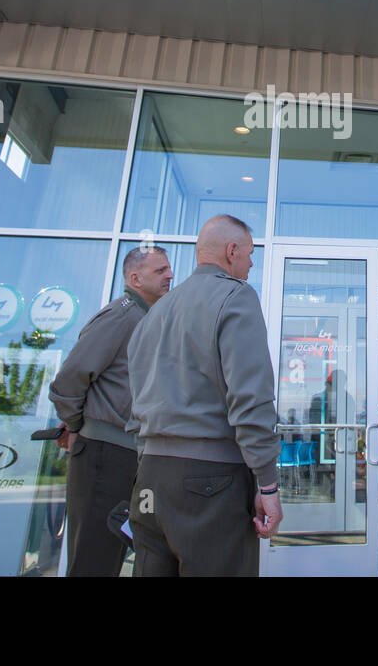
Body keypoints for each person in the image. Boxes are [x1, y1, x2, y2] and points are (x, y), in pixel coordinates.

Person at [126, 215, 281, 576]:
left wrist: (146, 462)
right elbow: (251, 399)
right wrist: (267, 482)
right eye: (250, 253)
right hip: (211, 481)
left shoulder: (154, 312)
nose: (251, 263)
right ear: (232, 252)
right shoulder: (236, 296)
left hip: (150, 476)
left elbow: (135, 402)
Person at [48, 244, 173, 576]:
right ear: (135, 277)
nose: (170, 275)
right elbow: (70, 378)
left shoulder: (145, 318)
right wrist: (74, 425)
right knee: (94, 556)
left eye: (168, 269)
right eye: (160, 271)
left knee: (111, 554)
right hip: (104, 453)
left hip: (127, 452)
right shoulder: (121, 314)